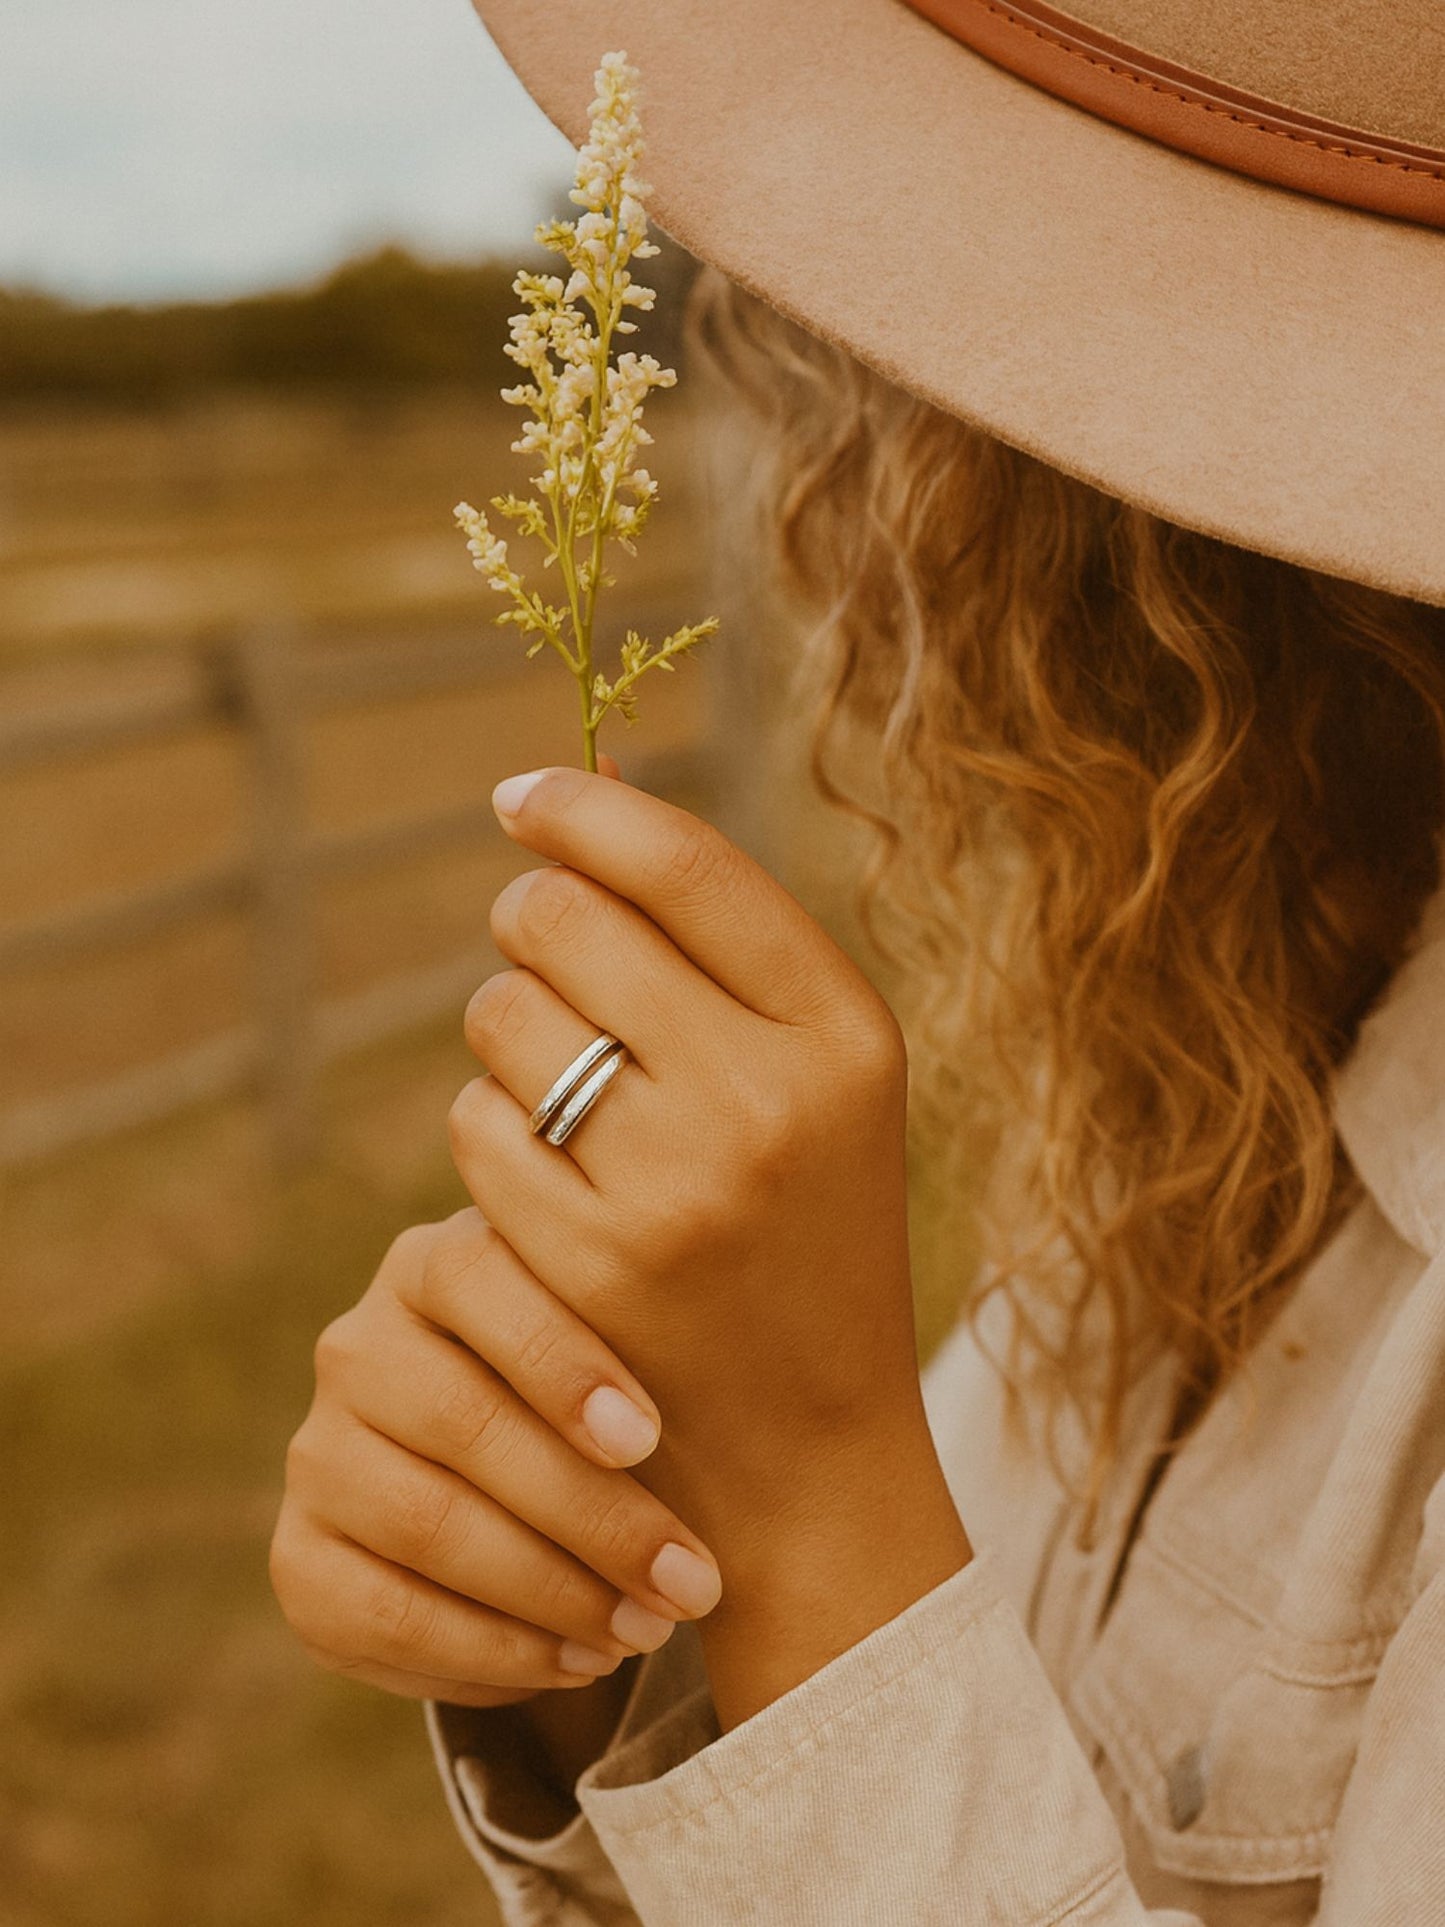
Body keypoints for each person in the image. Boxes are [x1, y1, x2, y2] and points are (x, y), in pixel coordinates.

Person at [269, 1, 1445, 1919]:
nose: (839, 445)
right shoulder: (1228, 1067)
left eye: (890, 344)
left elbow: (867, 1575)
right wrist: (620, 1632)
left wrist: (811, 1493)